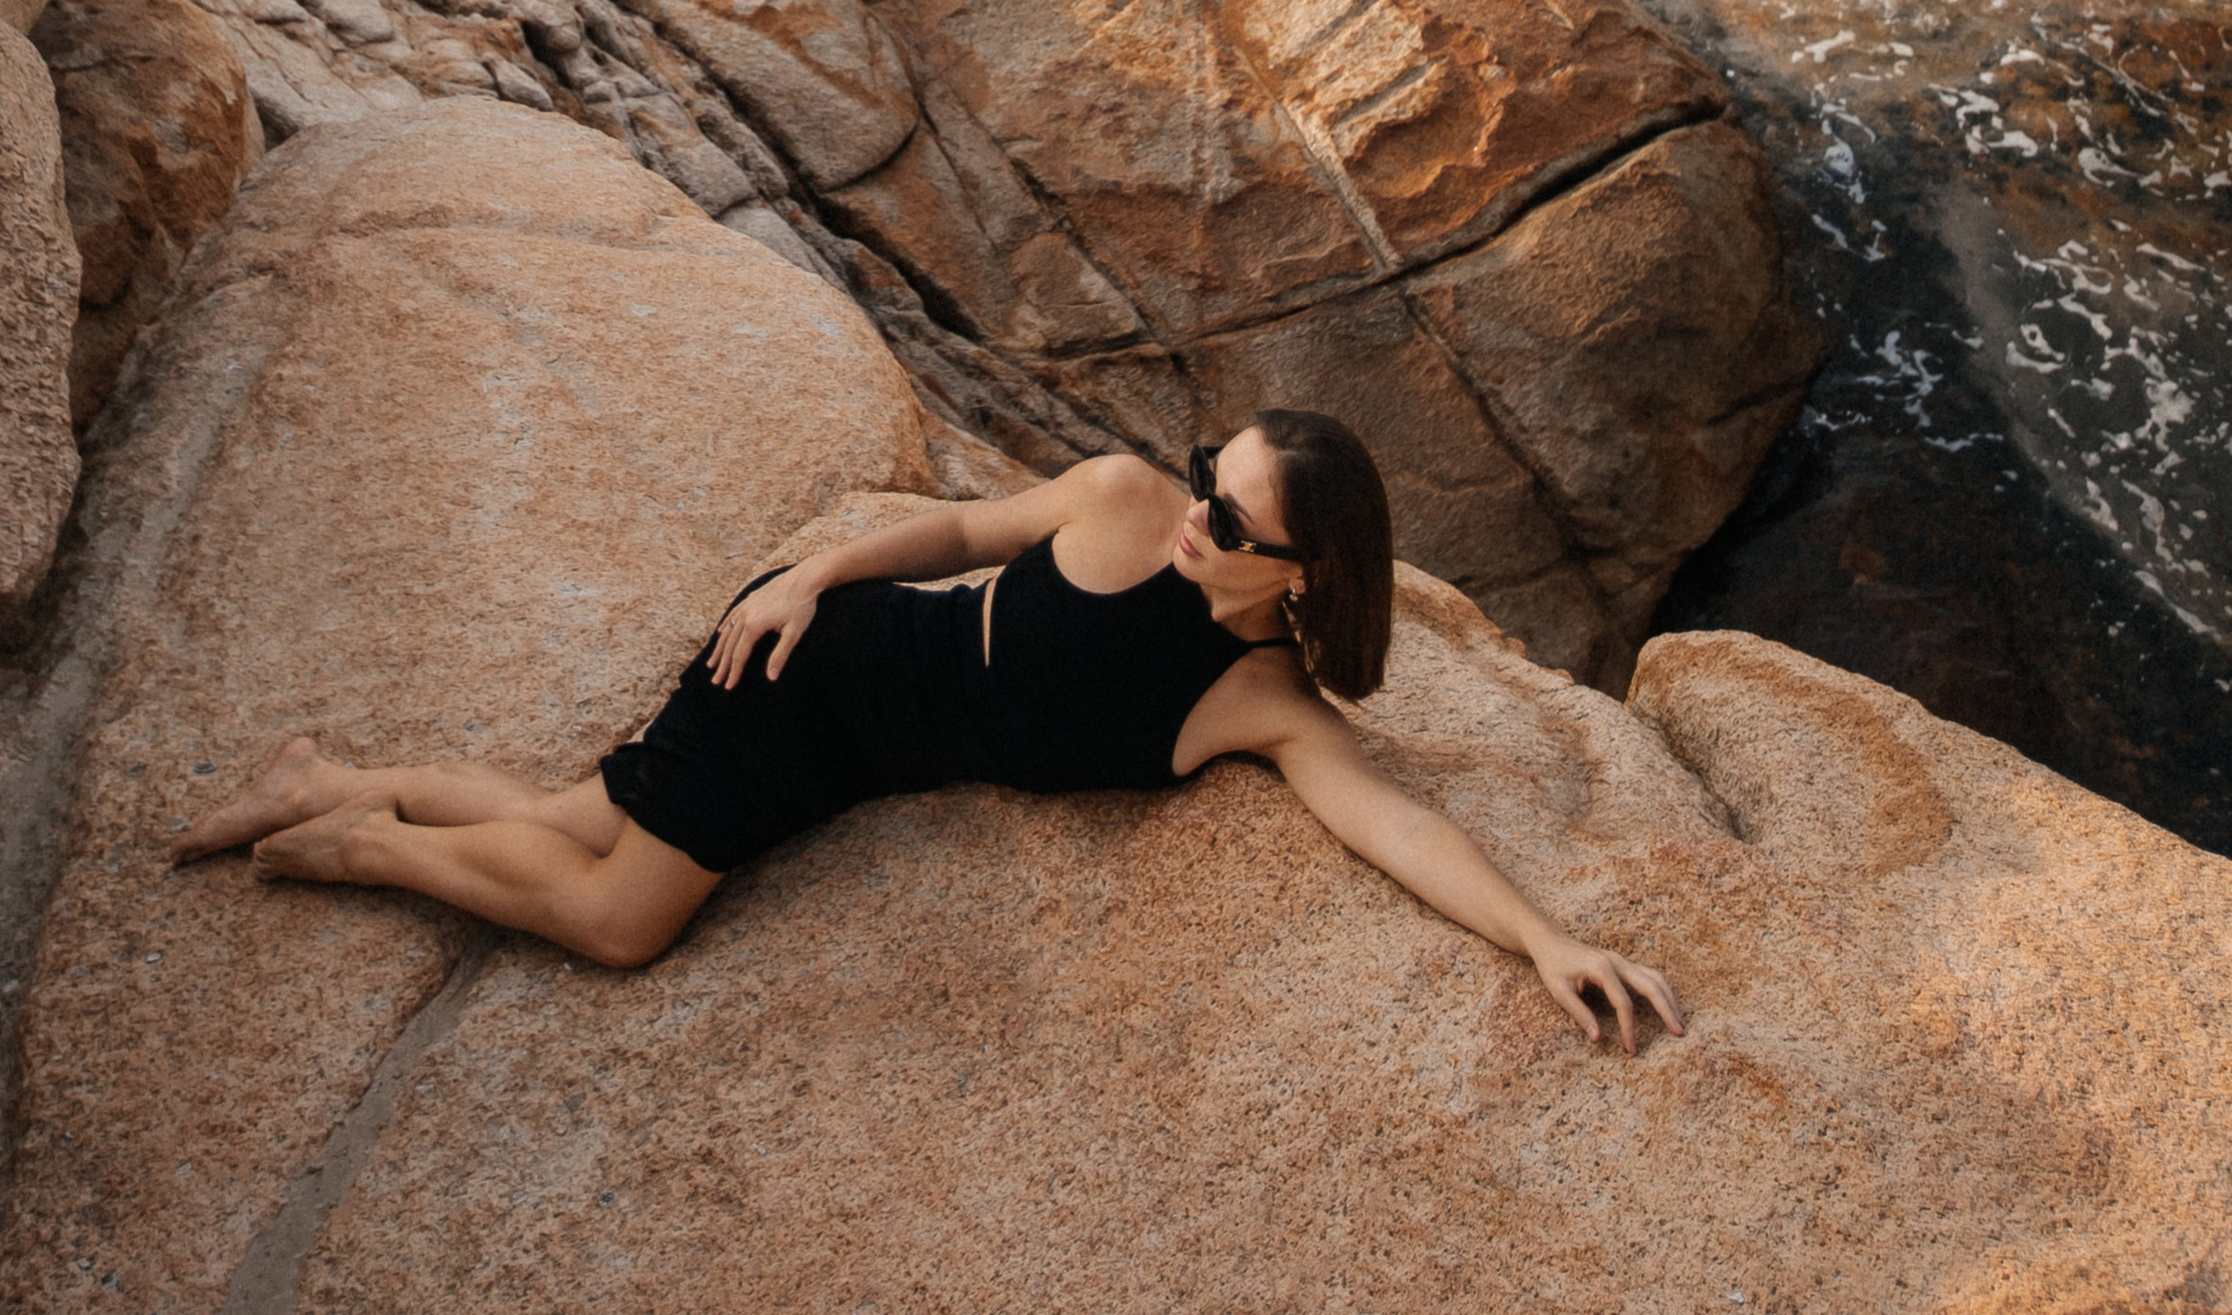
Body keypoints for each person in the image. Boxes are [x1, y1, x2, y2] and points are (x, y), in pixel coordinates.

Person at [170, 408, 1684, 1049]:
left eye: (1229, 521)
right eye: (1204, 477)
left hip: (855, 749)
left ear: (1301, 575)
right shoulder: (1120, 501)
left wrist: (1544, 939)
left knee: (581, 818)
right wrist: (808, 574)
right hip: (817, 665)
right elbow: (959, 526)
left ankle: (334, 777)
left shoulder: (1261, 704)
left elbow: (1396, 820)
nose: (1193, 518)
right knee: (619, 916)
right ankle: (358, 843)